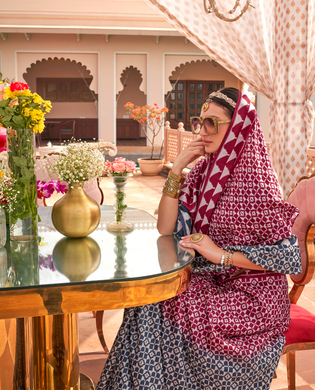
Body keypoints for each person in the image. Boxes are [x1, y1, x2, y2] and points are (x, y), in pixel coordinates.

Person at [97, 87, 302, 390]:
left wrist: (220, 255)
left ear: (237, 128)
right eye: (200, 121)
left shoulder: (259, 183)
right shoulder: (203, 171)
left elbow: (288, 258)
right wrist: (178, 168)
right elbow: (166, 228)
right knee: (146, 300)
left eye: (211, 123)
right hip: (212, 282)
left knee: (155, 306)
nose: (201, 131)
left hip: (252, 299)